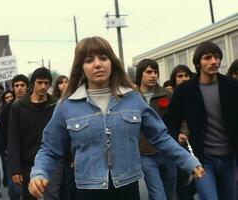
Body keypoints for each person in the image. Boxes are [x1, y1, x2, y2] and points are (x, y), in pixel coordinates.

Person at [28, 36, 204, 200]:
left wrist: (188, 160)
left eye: (103, 58)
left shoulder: (133, 98)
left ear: (112, 62)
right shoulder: (66, 105)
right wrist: (39, 173)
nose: (97, 64)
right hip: (87, 190)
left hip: (128, 186)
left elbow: (160, 137)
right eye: (89, 60)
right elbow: (50, 149)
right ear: (80, 67)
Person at [164, 41, 238, 200]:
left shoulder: (232, 86)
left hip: (229, 159)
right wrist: (177, 134)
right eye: (208, 58)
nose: (214, 61)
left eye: (217, 57)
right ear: (198, 62)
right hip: (203, 160)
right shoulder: (185, 91)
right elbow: (169, 122)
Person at [7, 68, 56, 200]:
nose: (43, 86)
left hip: (53, 161)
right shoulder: (18, 107)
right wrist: (15, 168)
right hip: (28, 163)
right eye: (39, 82)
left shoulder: (56, 105)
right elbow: (13, 139)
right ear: (32, 84)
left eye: (46, 83)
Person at [135, 58, 176, 200]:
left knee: (170, 193)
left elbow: (181, 117)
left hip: (167, 151)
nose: (153, 75)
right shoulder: (132, 96)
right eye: (149, 72)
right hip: (145, 153)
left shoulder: (167, 94)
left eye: (156, 72)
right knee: (158, 194)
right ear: (140, 73)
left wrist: (184, 132)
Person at [0, 74, 29, 200]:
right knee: (14, 188)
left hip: (29, 151)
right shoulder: (6, 109)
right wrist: (5, 150)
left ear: (27, 87)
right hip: (11, 152)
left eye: (22, 85)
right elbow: (3, 131)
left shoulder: (31, 105)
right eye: (17, 85)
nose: (20, 88)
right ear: (13, 87)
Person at [169, 64, 195, 200]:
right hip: (177, 145)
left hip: (198, 144)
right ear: (174, 79)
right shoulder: (169, 96)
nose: (184, 79)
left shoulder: (197, 94)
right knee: (182, 184)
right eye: (180, 76)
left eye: (186, 75)